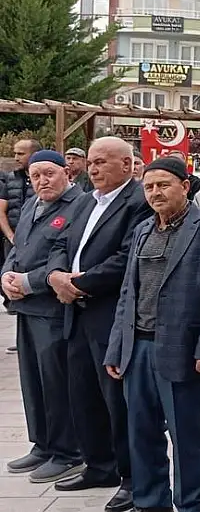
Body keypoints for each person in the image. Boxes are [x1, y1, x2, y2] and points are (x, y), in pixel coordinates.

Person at [103, 157, 200, 512]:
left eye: (163, 185)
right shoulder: (143, 230)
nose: (155, 193)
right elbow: (128, 293)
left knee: (186, 436)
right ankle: (149, 502)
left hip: (184, 352)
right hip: (138, 351)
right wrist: (116, 348)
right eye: (149, 187)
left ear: (185, 186)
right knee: (141, 435)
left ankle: (190, 504)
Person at [46, 136, 153, 512]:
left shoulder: (139, 201)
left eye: (102, 162)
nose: (92, 169)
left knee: (117, 402)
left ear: (127, 165)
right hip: (75, 313)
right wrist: (56, 275)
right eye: (90, 162)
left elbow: (127, 258)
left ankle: (130, 476)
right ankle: (98, 465)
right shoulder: (85, 201)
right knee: (83, 395)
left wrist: (78, 283)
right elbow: (61, 243)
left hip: (110, 315)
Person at [2, 150, 84, 484]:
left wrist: (27, 282)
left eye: (49, 173)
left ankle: (67, 451)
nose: (42, 181)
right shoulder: (33, 207)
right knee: (32, 381)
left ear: (66, 172)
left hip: (53, 310)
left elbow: (63, 257)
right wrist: (6, 275)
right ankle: (43, 443)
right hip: (26, 310)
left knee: (56, 383)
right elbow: (17, 250)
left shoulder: (79, 206)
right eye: (35, 176)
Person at [0, 138, 39, 259]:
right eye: (15, 153)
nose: (16, 158)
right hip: (12, 241)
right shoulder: (10, 178)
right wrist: (10, 236)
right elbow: (1, 211)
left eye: (21, 154)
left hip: (36, 242)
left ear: (35, 155)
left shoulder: (45, 180)